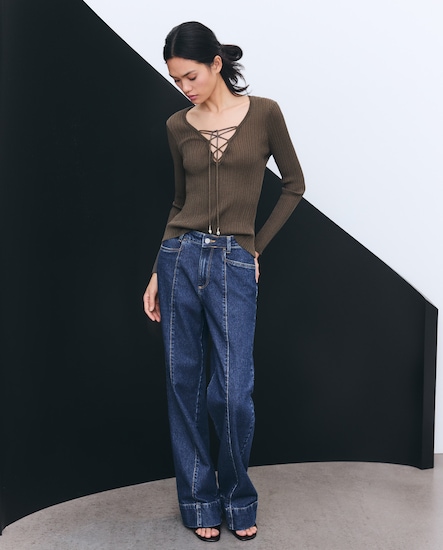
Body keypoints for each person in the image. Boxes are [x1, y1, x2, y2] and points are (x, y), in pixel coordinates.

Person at [143, 21, 305, 542]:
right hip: (179, 259)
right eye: (176, 80)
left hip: (234, 260)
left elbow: (295, 185)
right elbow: (178, 202)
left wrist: (255, 246)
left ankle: (238, 499)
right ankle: (199, 502)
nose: (184, 87)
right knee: (183, 385)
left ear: (216, 63)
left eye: (190, 76)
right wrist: (156, 270)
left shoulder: (265, 114)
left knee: (232, 393)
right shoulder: (177, 125)